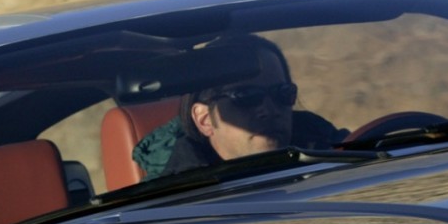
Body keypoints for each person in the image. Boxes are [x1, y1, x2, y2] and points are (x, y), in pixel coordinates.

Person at [129, 33, 343, 181]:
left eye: (283, 93)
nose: (268, 109)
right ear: (204, 120)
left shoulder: (340, 154)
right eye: (246, 97)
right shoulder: (171, 208)